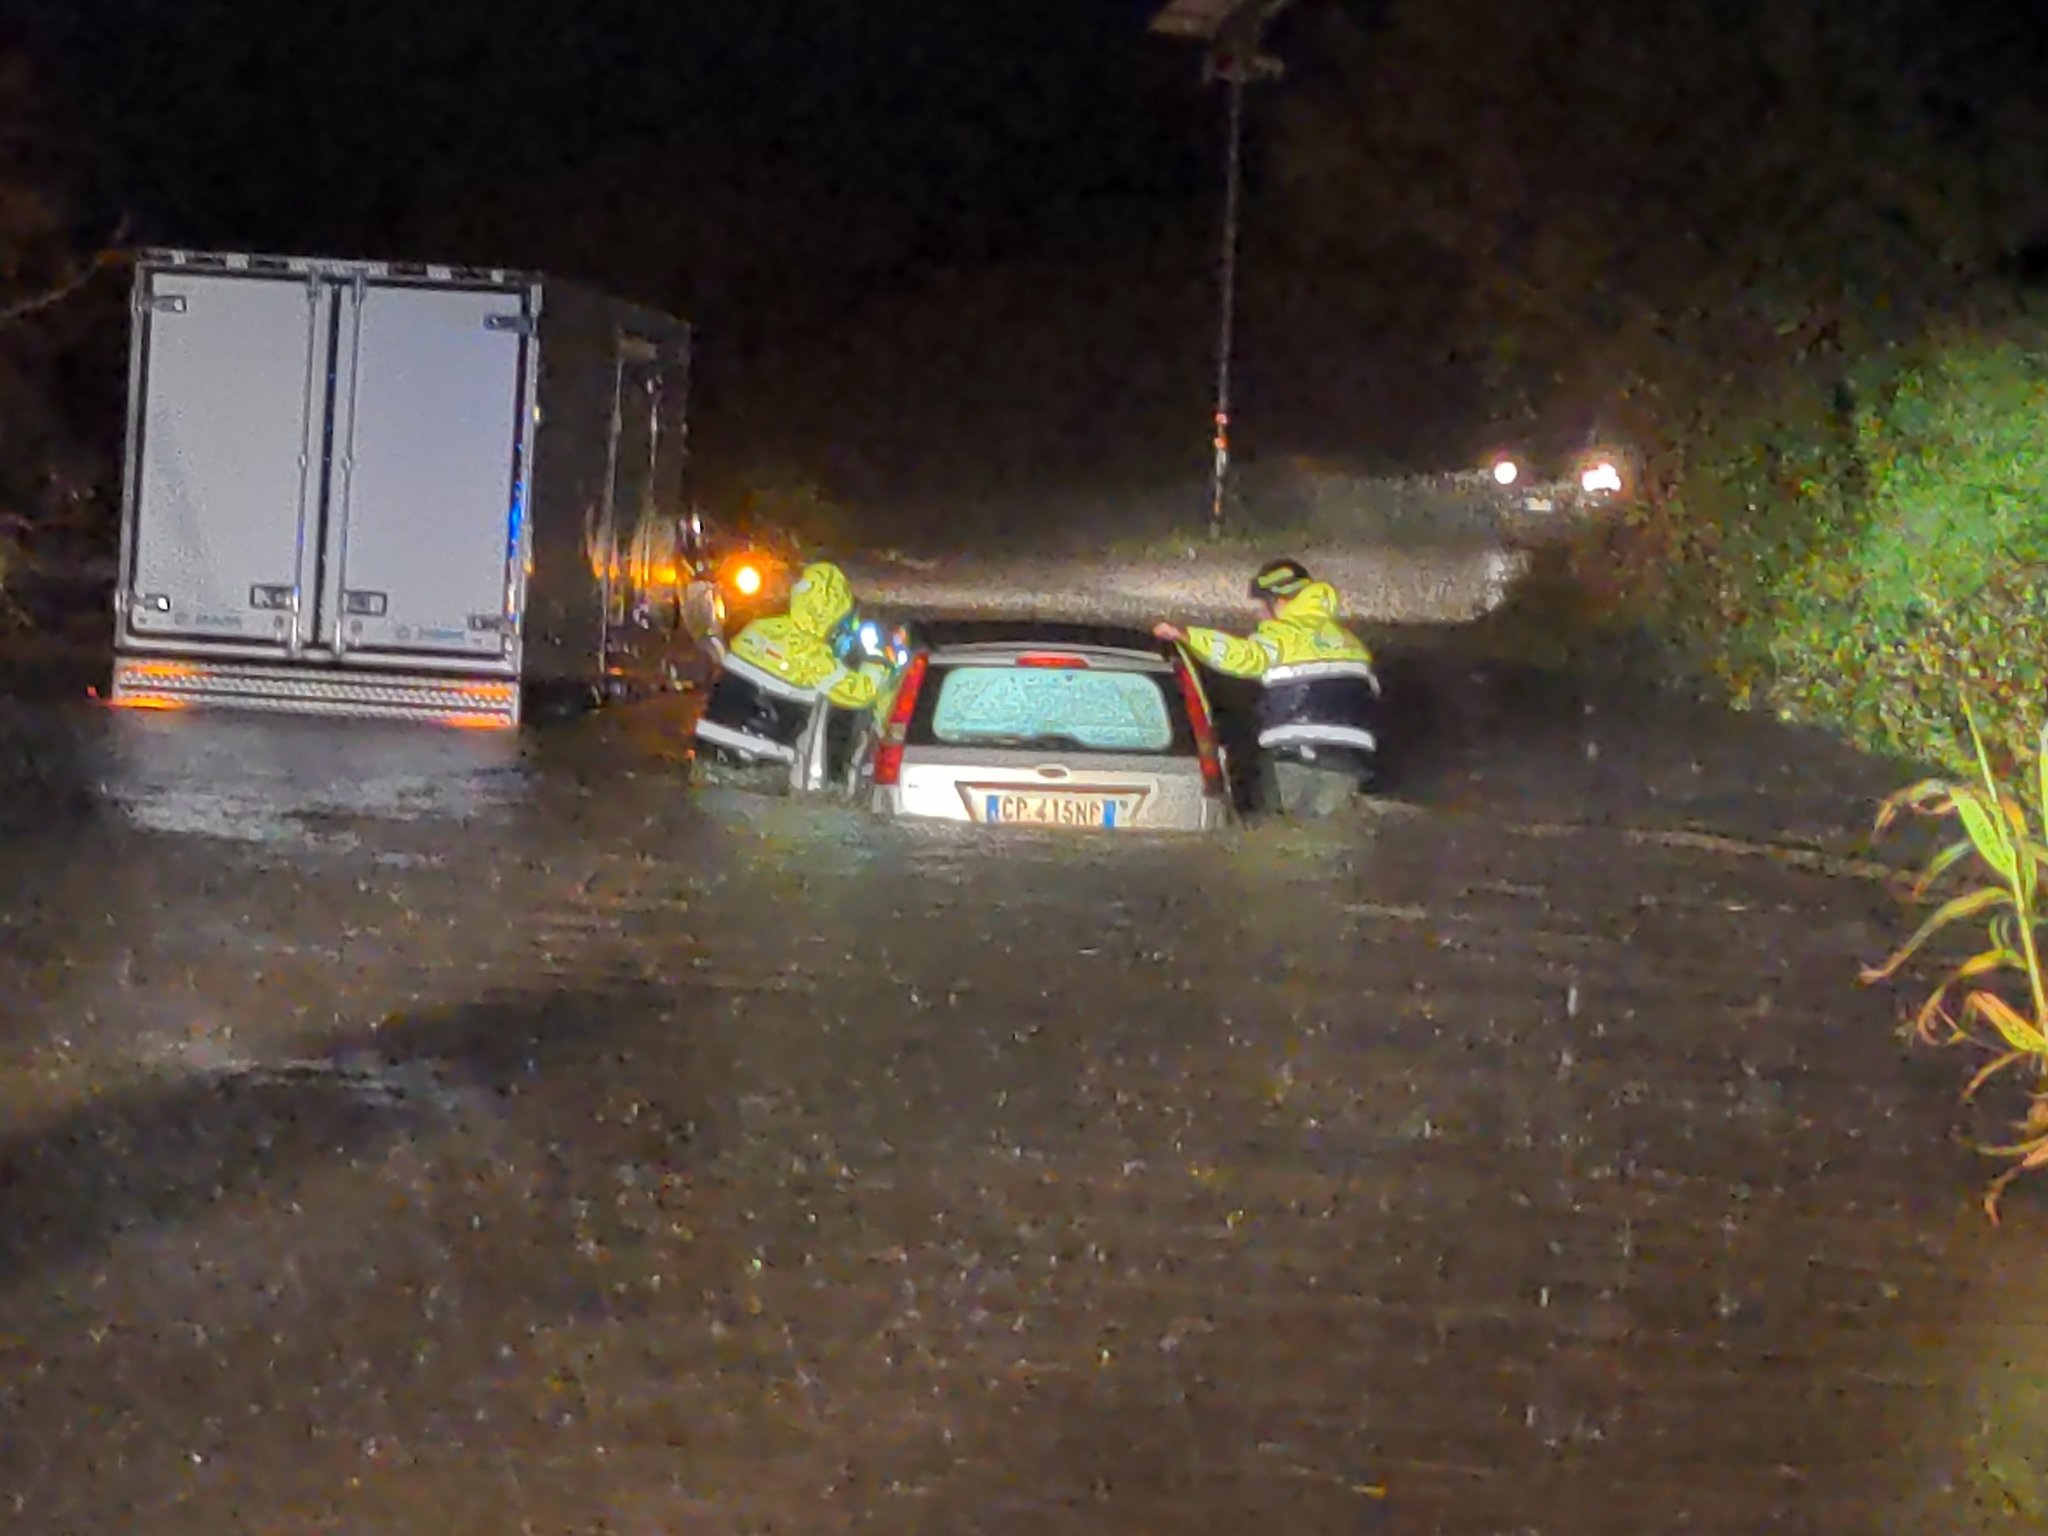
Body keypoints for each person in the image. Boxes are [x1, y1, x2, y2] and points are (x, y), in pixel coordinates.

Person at [1154, 557, 1380, 817]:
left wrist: (1187, 636)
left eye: (1262, 605)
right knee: (1333, 833)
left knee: (1289, 838)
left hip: (1295, 758)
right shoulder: (1350, 643)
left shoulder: (1283, 637)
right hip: (1348, 762)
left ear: (1280, 601)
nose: (1258, 613)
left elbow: (1242, 656)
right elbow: (1370, 694)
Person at [694, 560, 888, 788]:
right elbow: (860, 693)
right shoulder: (813, 656)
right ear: (832, 614)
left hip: (706, 749)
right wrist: (876, 660)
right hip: (757, 764)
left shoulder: (757, 629)